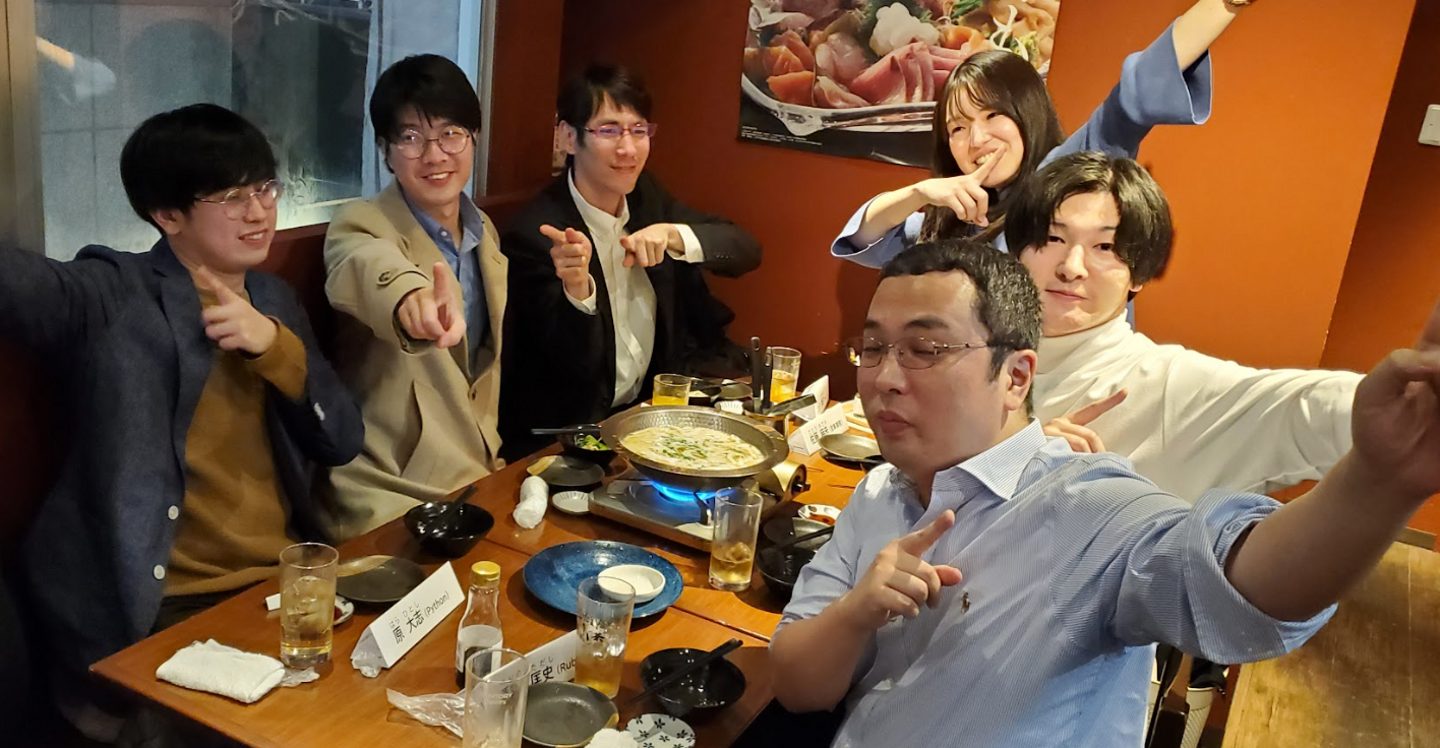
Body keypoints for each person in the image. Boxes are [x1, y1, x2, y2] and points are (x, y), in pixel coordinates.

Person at [770, 239, 1440, 746]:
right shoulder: (880, 492)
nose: (884, 378)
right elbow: (798, 686)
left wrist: (1378, 481)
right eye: (873, 348)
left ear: (1015, 377)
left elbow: (1239, 583)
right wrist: (856, 612)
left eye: (925, 349)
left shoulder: (1087, 507)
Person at [1, 104, 363, 742]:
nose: (259, 212)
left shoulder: (273, 299)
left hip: (281, 585)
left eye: (264, 188)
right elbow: (19, 284)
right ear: (167, 215)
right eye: (231, 197)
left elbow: (341, 439)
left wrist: (274, 347)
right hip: (165, 604)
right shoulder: (114, 293)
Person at [1008, 151, 1361, 499]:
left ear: (1139, 273)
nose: (1071, 267)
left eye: (1105, 247)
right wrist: (1017, 462)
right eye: (1054, 238)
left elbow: (1305, 409)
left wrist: (1388, 402)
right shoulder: (981, 355)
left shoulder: (1166, 386)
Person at [832, 0, 1256, 265]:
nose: (976, 140)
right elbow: (864, 239)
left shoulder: (1065, 173)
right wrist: (918, 194)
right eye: (958, 127)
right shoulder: (951, 219)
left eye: (993, 116)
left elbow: (1135, 93)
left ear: (1026, 112)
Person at [500, 63, 761, 459]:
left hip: (649, 418)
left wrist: (673, 235)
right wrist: (579, 290)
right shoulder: (538, 234)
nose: (628, 149)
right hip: (570, 440)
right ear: (568, 137)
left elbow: (745, 250)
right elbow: (571, 371)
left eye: (638, 130)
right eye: (608, 131)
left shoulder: (646, 197)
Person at [322, 54, 507, 540]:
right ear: (385, 151)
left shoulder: (484, 232)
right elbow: (367, 265)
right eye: (410, 138)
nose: (435, 154)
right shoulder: (360, 223)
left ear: (474, 138)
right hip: (389, 488)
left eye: (451, 133)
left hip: (476, 475)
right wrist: (410, 297)